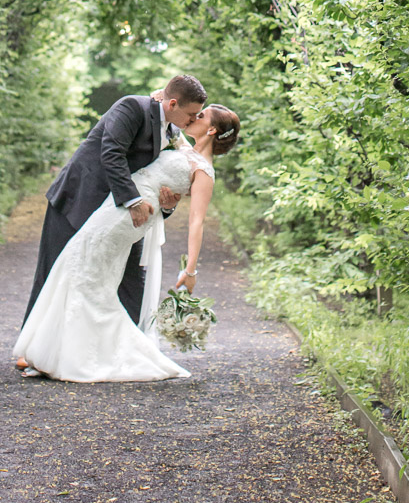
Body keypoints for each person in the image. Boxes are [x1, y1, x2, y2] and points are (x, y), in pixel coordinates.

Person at [12, 102, 241, 382]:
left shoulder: (204, 172)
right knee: (80, 270)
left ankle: (69, 354)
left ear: (213, 129)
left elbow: (197, 222)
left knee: (83, 273)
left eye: (201, 116)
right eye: (194, 112)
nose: (193, 117)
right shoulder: (182, 147)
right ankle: (58, 350)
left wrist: (190, 270)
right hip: (114, 209)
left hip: (128, 219)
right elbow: (165, 106)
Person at [18, 74, 208, 343]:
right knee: (54, 271)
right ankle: (32, 346)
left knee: (132, 280)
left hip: (121, 216)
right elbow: (112, 152)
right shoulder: (131, 107)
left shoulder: (172, 133)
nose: (193, 121)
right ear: (173, 103)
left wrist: (167, 205)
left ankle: (125, 349)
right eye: (191, 114)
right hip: (80, 199)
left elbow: (158, 177)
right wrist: (133, 201)